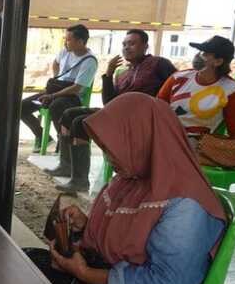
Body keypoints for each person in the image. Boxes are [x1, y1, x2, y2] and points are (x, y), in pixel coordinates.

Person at [48, 93, 225, 284]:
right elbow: (131, 237)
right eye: (104, 148)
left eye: (112, 147)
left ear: (142, 139)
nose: (109, 157)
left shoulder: (186, 205)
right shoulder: (132, 179)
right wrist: (86, 226)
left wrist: (85, 274)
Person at [53, 29, 177, 193]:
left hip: (140, 119)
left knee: (80, 122)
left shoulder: (158, 64)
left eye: (132, 44)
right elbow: (108, 102)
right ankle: (67, 166)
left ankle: (80, 180)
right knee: (69, 114)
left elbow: (176, 85)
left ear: (145, 46)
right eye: (124, 44)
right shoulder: (123, 72)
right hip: (118, 114)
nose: (126, 47)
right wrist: (109, 74)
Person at [157, 36, 235, 156]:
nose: (198, 56)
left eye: (205, 54)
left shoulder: (231, 90)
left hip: (196, 143)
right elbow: (157, 108)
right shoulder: (178, 78)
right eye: (199, 51)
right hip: (166, 134)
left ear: (218, 62)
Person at [20, 24, 98, 151]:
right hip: (55, 91)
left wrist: (52, 96)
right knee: (21, 107)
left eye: (68, 39)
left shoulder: (89, 61)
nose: (65, 42)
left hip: (72, 97)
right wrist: (56, 77)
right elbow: (55, 63)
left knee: (56, 106)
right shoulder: (65, 51)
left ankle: (63, 143)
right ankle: (41, 135)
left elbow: (76, 88)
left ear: (80, 42)